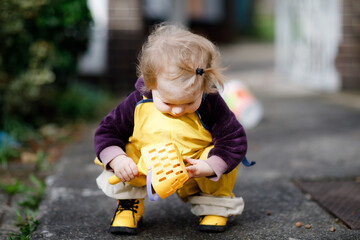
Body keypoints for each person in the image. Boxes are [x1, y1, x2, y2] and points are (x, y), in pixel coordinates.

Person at [94, 23, 248, 234]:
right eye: (168, 102)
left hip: (194, 168)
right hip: (146, 168)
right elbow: (107, 131)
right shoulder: (137, 101)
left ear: (203, 87)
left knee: (222, 159)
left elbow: (234, 139)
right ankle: (128, 205)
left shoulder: (210, 103)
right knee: (121, 154)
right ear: (150, 84)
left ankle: (215, 206)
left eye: (188, 103)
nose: (177, 110)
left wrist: (210, 165)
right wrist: (117, 159)